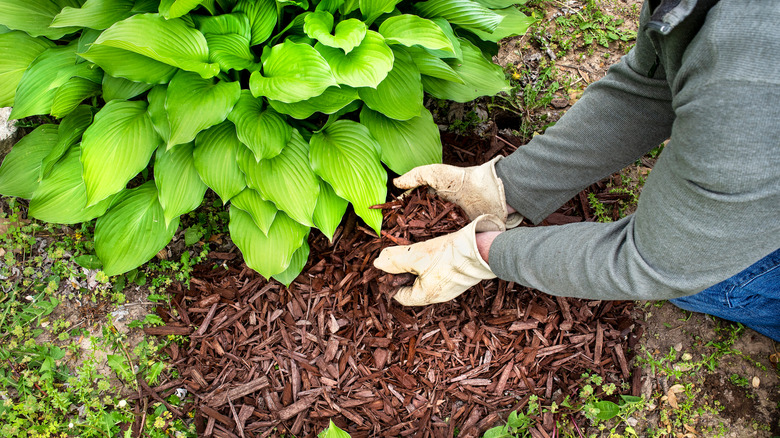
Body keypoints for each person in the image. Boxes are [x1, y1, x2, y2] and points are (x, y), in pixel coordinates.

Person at [373, 0, 780, 342]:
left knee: (715, 285)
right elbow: (648, 84)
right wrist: (502, 187)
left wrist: (476, 255)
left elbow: (656, 264)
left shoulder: (749, 84)